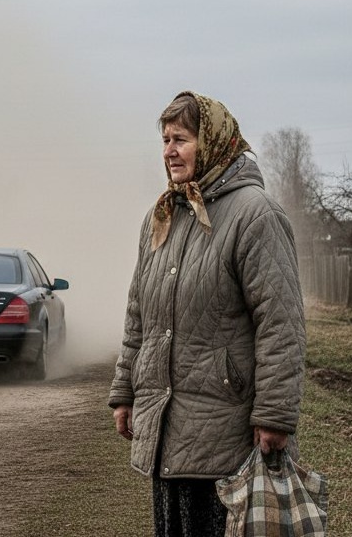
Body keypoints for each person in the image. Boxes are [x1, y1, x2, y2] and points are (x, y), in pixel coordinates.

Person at [108, 91, 306, 536]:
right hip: (168, 431)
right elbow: (139, 315)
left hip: (226, 436)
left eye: (181, 139)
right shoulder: (161, 216)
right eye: (165, 140)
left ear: (213, 142)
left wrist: (275, 415)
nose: (169, 151)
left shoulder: (255, 215)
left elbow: (280, 325)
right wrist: (125, 391)